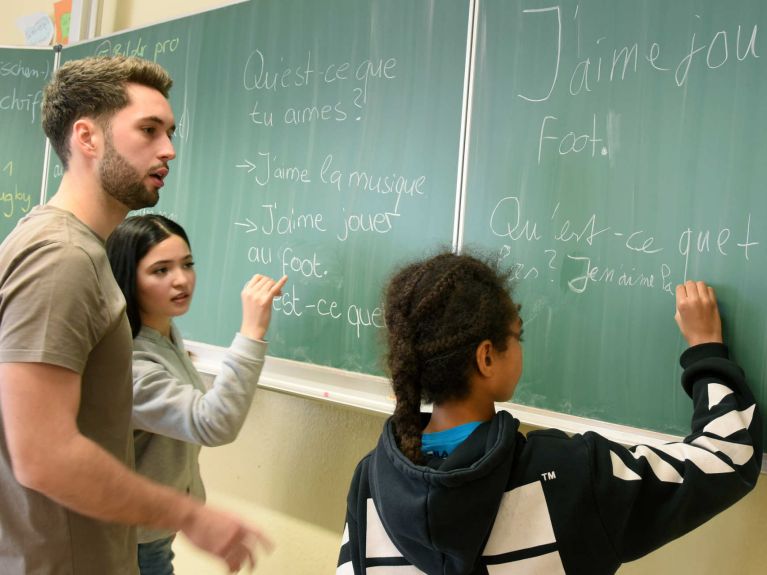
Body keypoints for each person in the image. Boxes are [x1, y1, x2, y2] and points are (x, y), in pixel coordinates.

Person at [0, 56, 269, 574]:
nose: (168, 149)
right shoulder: (63, 258)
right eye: (148, 130)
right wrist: (188, 514)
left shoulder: (63, 245)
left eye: (170, 132)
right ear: (87, 137)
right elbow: (42, 453)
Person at [337, 251, 762, 575]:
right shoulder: (568, 475)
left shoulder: (372, 483)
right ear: (486, 358)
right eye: (517, 335)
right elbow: (728, 457)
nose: (521, 346)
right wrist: (706, 349)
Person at [106, 214, 287, 574]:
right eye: (160, 270)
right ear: (129, 277)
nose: (182, 280)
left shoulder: (165, 337)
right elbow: (212, 423)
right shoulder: (130, 360)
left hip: (155, 532)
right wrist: (252, 331)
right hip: (132, 541)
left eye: (187, 264)